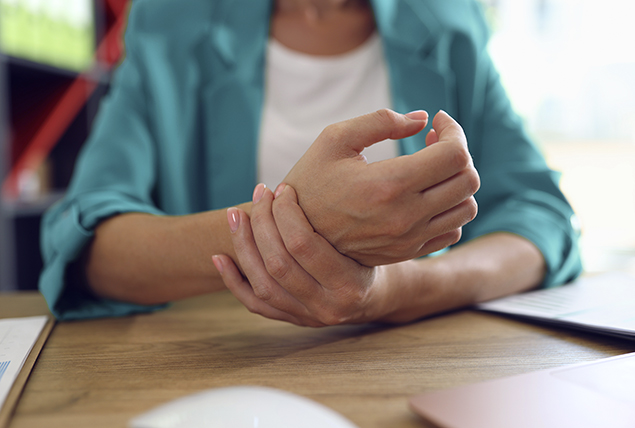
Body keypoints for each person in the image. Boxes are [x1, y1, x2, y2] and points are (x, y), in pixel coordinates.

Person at [39, 0, 582, 323]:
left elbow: (542, 219)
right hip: (222, 371)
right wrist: (305, 228)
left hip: (403, 360)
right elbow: (85, 242)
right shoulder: (171, 20)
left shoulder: (448, 22)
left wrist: (400, 290)